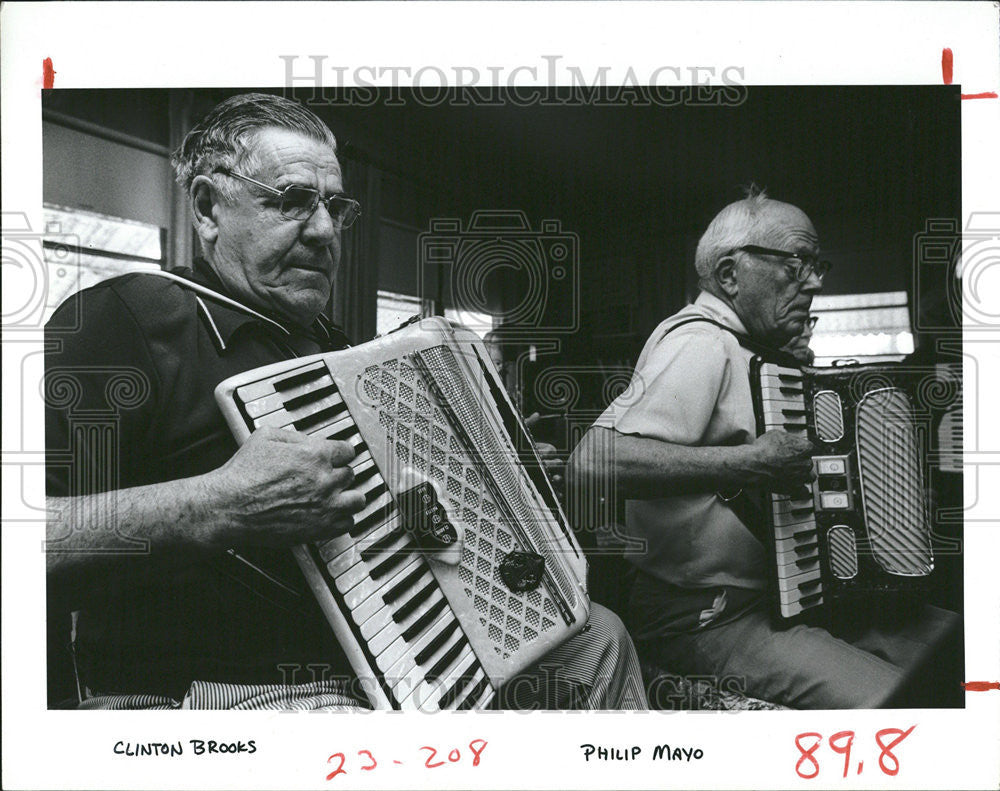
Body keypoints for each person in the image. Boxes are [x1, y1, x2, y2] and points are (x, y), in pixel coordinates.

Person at [45, 92, 645, 711]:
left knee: (600, 638)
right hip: (221, 685)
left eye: (335, 207)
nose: (326, 232)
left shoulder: (332, 344)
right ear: (206, 208)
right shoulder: (124, 319)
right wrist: (215, 503)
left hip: (404, 641)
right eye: (292, 201)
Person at [568, 188, 960, 709]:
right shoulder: (699, 341)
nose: (815, 281)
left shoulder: (753, 352)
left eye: (816, 264)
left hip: (788, 599)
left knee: (961, 651)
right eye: (797, 264)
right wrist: (748, 462)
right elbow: (591, 462)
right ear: (730, 275)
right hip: (709, 617)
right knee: (904, 704)